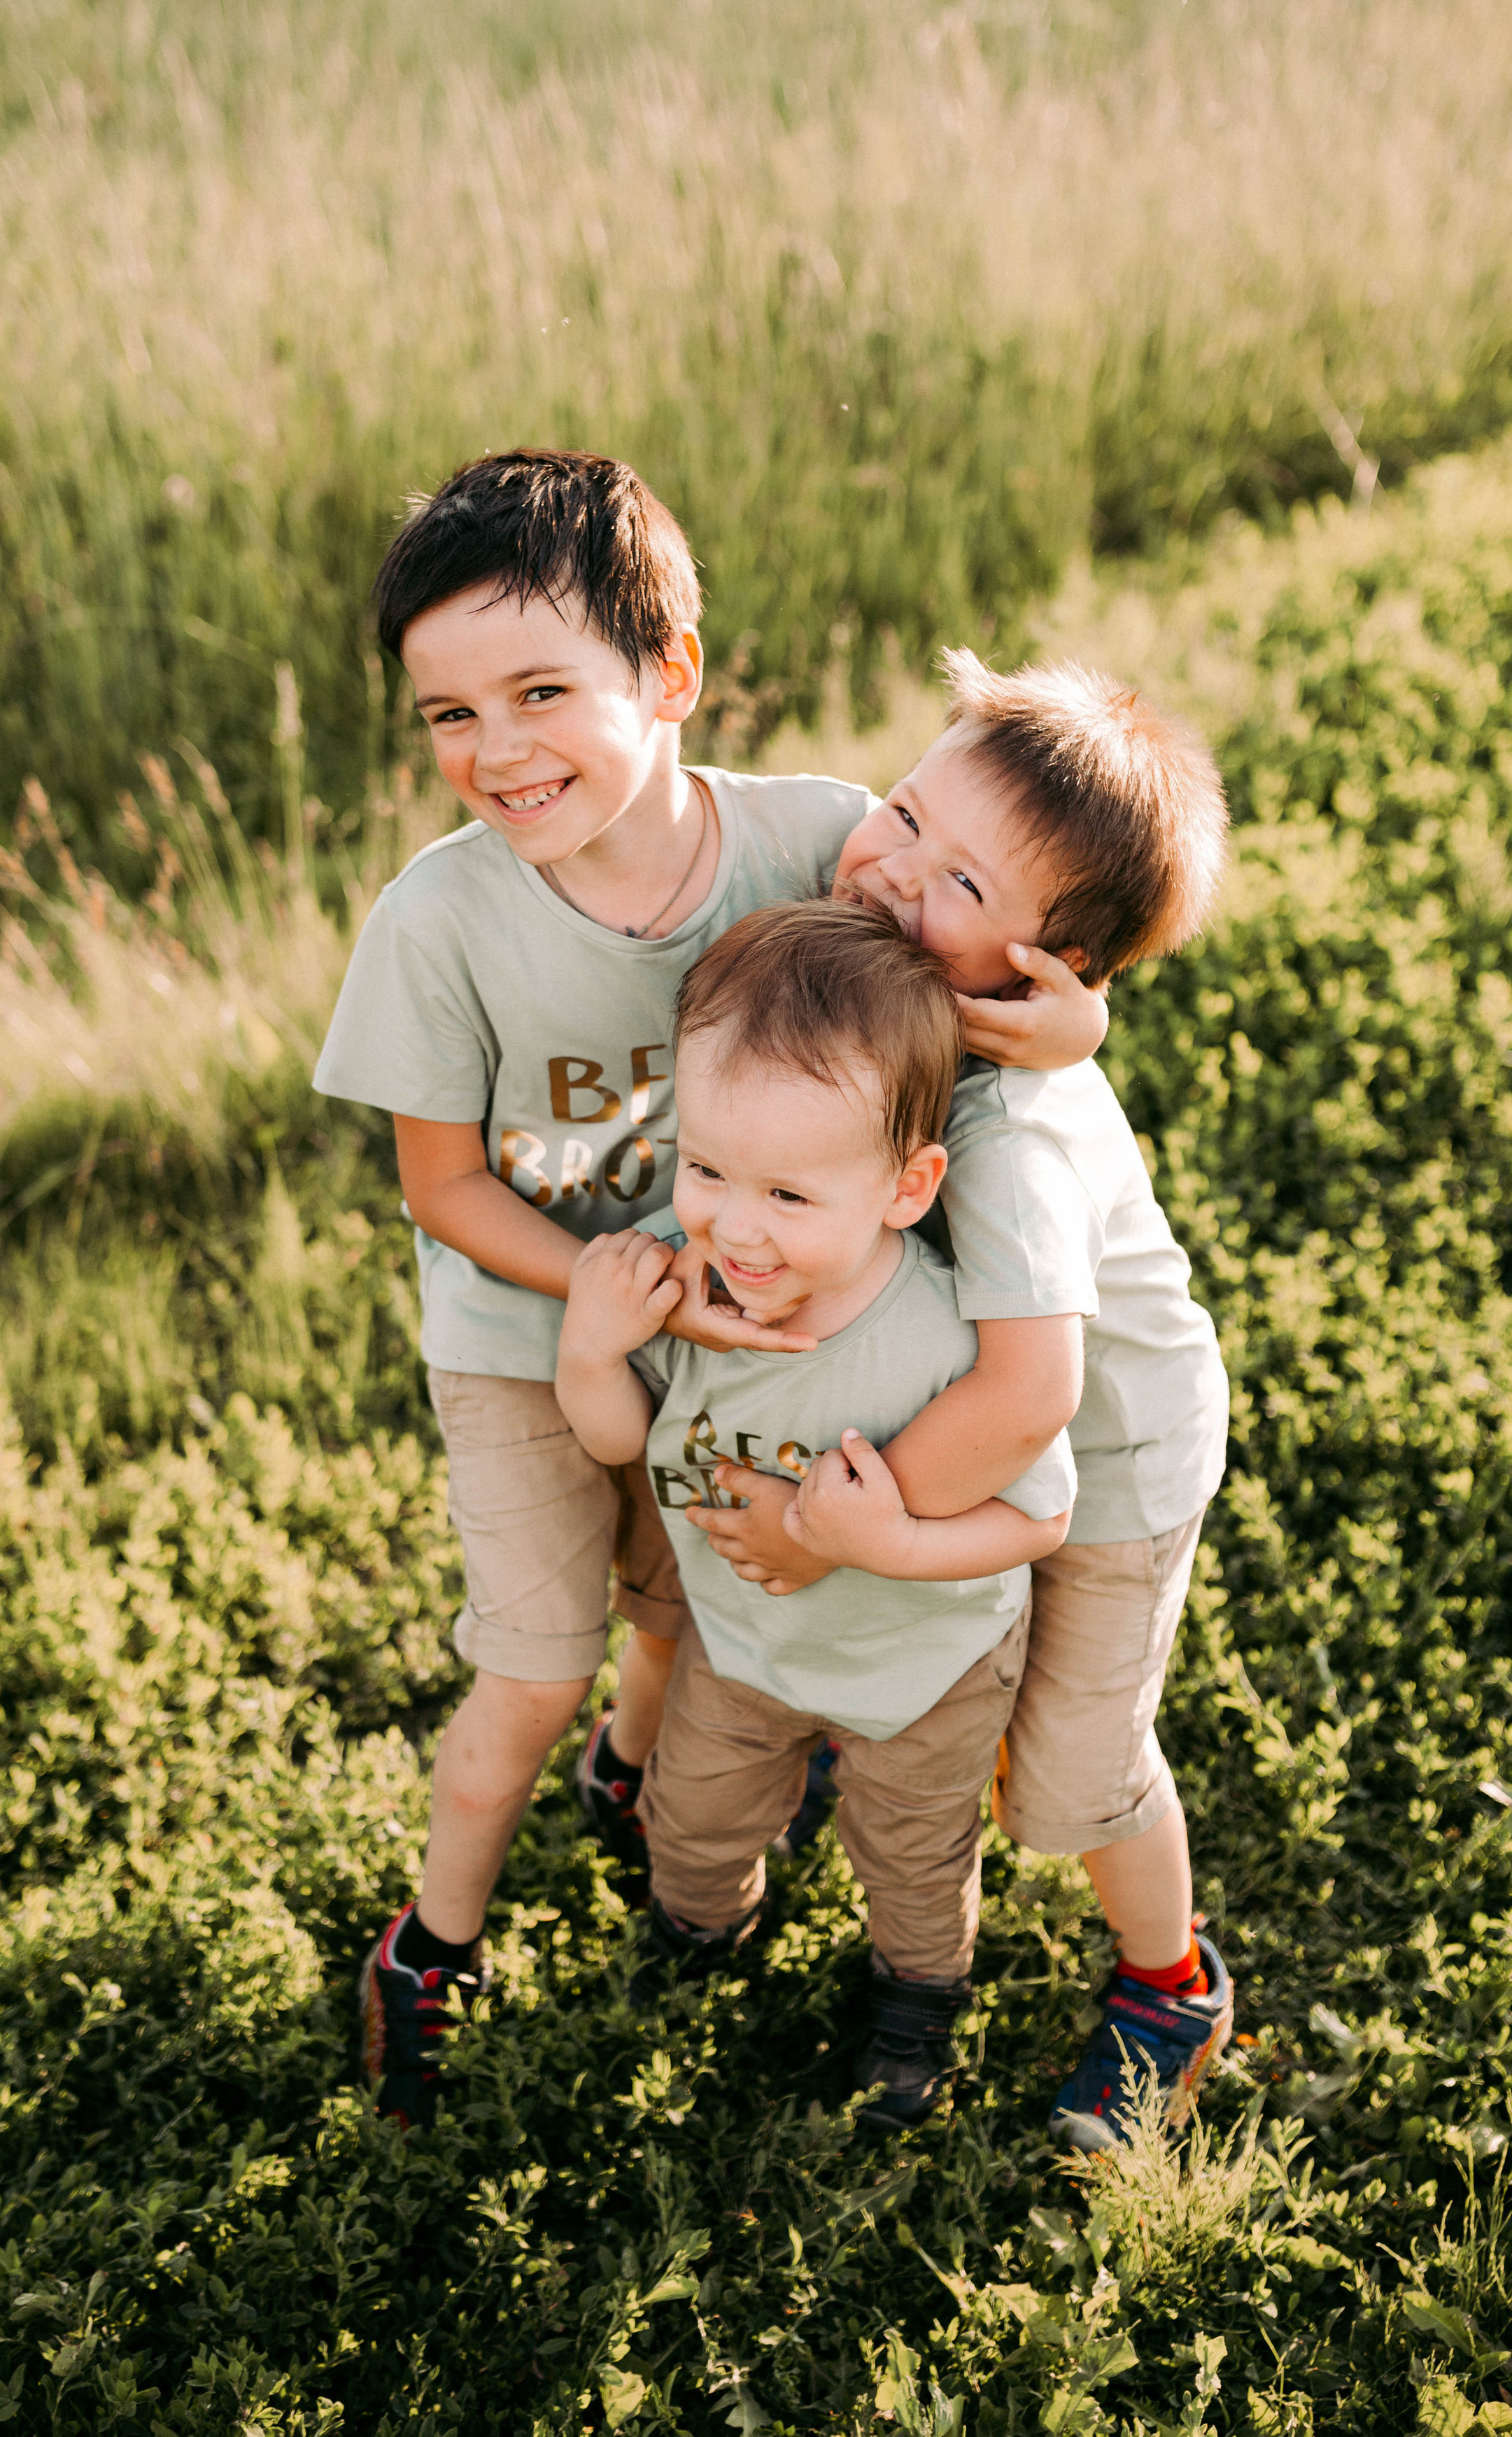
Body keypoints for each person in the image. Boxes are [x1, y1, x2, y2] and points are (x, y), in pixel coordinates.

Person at [311, 451, 1105, 2125]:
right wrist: (632, 1286)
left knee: (686, 1605)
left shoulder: (815, 837)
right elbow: (441, 1185)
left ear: (669, 673)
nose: (495, 749)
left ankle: (654, 1795)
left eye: (539, 690)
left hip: (753, 1336)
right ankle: (432, 1944)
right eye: (448, 714)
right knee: (536, 1658)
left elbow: (954, 1006)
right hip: (530, 1332)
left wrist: (1080, 1028)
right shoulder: (437, 923)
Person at [688, 653, 1236, 2151]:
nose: (890, 870)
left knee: (1067, 1766)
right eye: (906, 812)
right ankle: (830, 1741)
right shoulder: (900, 946)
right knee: (933, 1643)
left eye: (955, 878)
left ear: (1045, 971)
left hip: (1103, 1460)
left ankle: (1165, 1981)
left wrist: (818, 1525)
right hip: (972, 1412)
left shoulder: (1008, 1130)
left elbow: (1027, 1387)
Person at [556, 900, 1077, 2130]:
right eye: (707, 1171)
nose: (737, 1225)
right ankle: (702, 1927)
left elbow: (1039, 1520)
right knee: (690, 1819)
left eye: (789, 1193)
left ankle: (917, 1994)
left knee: (910, 1853)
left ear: (909, 1187)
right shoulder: (686, 1288)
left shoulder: (949, 1335)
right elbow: (622, 1441)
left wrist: (885, 1542)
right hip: (745, 1644)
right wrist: (591, 1348)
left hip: (926, 1664)